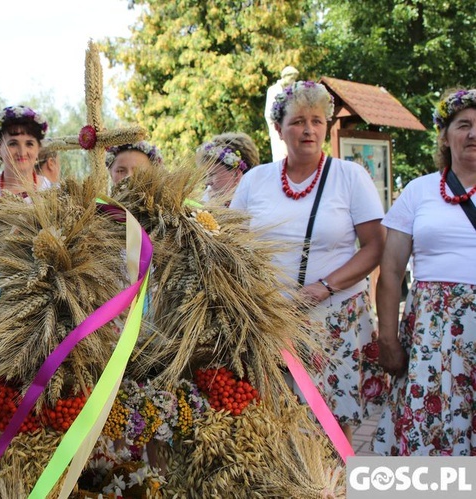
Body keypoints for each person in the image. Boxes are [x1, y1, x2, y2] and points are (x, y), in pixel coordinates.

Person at [232, 80, 387, 443]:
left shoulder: (350, 177)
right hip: (272, 322)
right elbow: (233, 246)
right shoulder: (256, 181)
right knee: (273, 420)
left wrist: (325, 287)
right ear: (278, 128)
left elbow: (375, 246)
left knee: (332, 423)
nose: (309, 130)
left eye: (317, 121)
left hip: (334, 319)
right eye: (298, 121)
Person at [374, 88, 476, 456]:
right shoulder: (419, 191)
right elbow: (390, 272)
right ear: (446, 136)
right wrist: (387, 339)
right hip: (431, 332)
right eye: (463, 125)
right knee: (428, 429)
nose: (473, 134)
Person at [197, 132, 259, 202]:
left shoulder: (259, 203)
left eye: (212, 174)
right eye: (206, 175)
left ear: (236, 175)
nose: (207, 182)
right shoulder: (207, 199)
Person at [265, 66, 300, 162]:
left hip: (291, 128)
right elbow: (269, 113)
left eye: (294, 79)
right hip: (278, 129)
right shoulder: (273, 90)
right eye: (292, 78)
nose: (293, 81)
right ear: (285, 76)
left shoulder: (292, 91)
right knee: (280, 155)